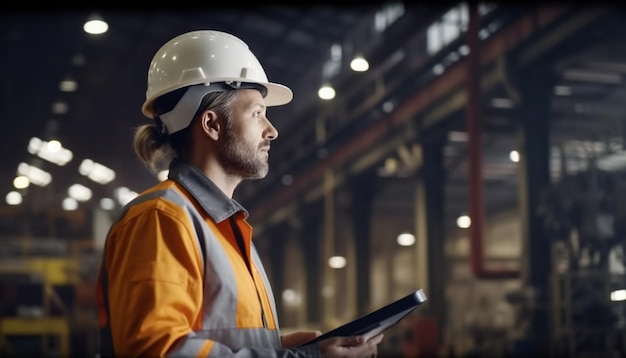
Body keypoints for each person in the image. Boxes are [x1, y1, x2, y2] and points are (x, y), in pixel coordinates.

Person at [95, 30, 384, 357]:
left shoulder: (221, 227)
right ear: (212, 124)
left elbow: (219, 340)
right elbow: (159, 351)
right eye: (257, 113)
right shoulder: (162, 219)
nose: (272, 130)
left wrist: (280, 348)